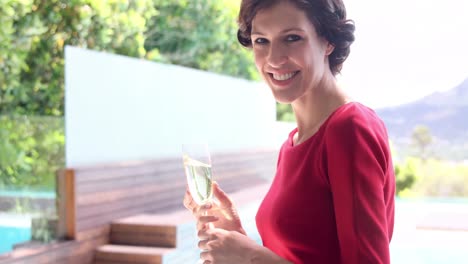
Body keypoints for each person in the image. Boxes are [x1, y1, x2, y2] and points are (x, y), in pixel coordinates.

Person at [183, 0, 396, 263]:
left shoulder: (349, 128)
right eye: (261, 40)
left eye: (293, 38)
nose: (274, 58)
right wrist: (235, 234)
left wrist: (250, 257)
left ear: (328, 41)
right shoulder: (294, 143)